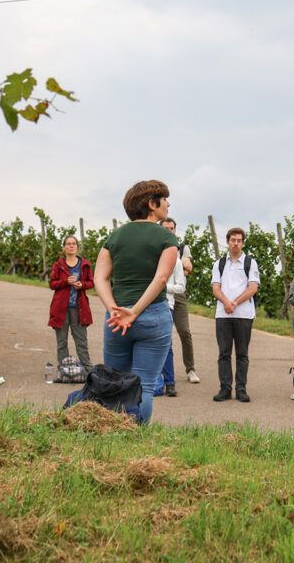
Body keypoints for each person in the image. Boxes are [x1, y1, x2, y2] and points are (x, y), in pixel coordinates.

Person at [93, 180, 178, 423]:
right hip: (153, 316)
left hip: (116, 319)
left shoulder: (115, 236)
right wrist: (135, 311)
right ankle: (137, 435)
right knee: (145, 385)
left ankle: (114, 434)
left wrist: (114, 310)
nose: (168, 204)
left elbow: (100, 278)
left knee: (115, 383)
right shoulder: (167, 237)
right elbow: (161, 278)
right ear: (152, 204)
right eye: (165, 199)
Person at [211, 227, 260, 402]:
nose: (236, 243)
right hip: (223, 315)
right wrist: (226, 302)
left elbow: (253, 288)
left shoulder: (250, 263)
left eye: (239, 241)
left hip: (244, 314)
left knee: (242, 353)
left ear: (243, 243)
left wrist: (235, 303)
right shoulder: (219, 264)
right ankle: (225, 388)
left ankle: (241, 389)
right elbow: (215, 288)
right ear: (228, 242)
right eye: (233, 240)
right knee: (224, 353)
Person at [160, 218, 200, 383]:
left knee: (184, 331)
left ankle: (190, 369)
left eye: (172, 228)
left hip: (178, 294)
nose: (169, 231)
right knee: (163, 334)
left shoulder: (183, 247)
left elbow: (188, 268)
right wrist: (181, 266)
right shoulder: (156, 247)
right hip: (161, 295)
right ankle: (162, 371)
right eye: (166, 228)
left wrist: (183, 266)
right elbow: (183, 268)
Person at [48, 235, 94, 371]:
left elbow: (91, 282)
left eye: (73, 243)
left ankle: (88, 369)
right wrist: (65, 282)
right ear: (64, 248)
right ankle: (64, 368)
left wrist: (82, 285)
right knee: (62, 341)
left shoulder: (85, 264)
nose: (71, 246)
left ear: (77, 247)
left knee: (81, 340)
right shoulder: (58, 265)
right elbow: (52, 284)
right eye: (68, 244)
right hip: (60, 308)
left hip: (79, 308)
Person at [155, 255, 187, 398]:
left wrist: (162, 286)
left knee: (166, 345)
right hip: (145, 304)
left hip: (167, 305)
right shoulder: (148, 256)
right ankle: (151, 381)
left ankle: (170, 383)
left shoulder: (176, 261)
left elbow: (181, 287)